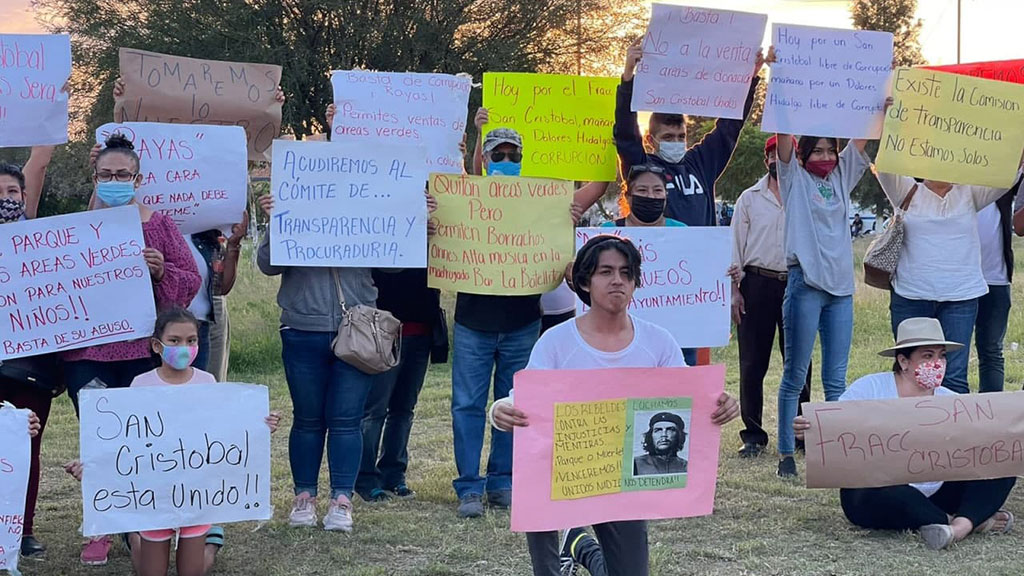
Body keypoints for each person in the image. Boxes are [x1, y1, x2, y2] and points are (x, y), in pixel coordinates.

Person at [491, 234, 739, 576]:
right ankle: (569, 541)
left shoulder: (657, 341)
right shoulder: (557, 341)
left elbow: (689, 398)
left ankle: (580, 546)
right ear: (584, 281)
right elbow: (529, 396)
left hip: (620, 482)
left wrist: (723, 404)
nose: (617, 280)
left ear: (636, 282)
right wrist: (502, 408)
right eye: (605, 271)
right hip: (556, 474)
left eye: (625, 272)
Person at [64, 134, 202, 565]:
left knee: (143, 446)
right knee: (100, 446)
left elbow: (190, 282)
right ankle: (102, 528)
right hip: (88, 357)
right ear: (95, 177)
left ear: (138, 178)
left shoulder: (159, 225)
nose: (114, 180)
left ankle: (142, 525)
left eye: (122, 174)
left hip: (143, 354)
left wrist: (162, 272)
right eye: (106, 174)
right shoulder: (76, 227)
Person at [65, 307, 280, 576]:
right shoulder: (140, 385)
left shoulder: (207, 382)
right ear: (157, 345)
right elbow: (123, 443)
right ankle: (134, 536)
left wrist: (258, 428)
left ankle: (211, 543)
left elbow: (222, 430)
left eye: (191, 341)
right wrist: (91, 467)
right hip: (153, 499)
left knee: (192, 571)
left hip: (196, 496)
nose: (184, 347)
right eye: (175, 341)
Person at [449, 122, 583, 518]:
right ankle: (469, 487)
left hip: (523, 321)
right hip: (472, 321)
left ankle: (503, 480)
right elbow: (462, 187)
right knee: (467, 406)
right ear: (486, 159)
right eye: (498, 155)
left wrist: (568, 218)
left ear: (522, 160)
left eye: (514, 156)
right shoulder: (465, 198)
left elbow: (569, 236)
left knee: (516, 404)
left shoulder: (541, 203)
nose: (506, 161)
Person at [793, 317, 1016, 550]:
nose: (938, 363)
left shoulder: (952, 401)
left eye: (942, 356)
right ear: (903, 361)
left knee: (1004, 465)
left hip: (940, 490)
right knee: (872, 493)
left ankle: (956, 529)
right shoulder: (869, 388)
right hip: (885, 491)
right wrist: (809, 430)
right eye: (928, 356)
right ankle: (965, 522)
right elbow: (835, 430)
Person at [768, 46, 876, 479]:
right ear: (801, 153)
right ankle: (785, 453)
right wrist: (780, 73)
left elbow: (863, 136)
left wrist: (877, 104)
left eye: (831, 150)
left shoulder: (842, 177)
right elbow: (783, 129)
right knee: (795, 373)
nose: (825, 157)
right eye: (818, 151)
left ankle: (831, 453)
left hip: (841, 290)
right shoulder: (792, 177)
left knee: (837, 377)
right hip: (805, 284)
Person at [256, 191, 379, 532]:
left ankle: (341, 500)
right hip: (301, 327)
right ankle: (304, 496)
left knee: (347, 419)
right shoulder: (293, 208)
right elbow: (268, 265)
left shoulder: (369, 206)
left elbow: (395, 262)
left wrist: (409, 217)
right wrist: (274, 221)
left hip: (357, 329)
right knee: (308, 419)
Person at [574, 40, 762, 226]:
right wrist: (628, 77)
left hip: (699, 252)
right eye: (668, 137)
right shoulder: (641, 167)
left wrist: (750, 79)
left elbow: (729, 127)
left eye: (681, 137)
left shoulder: (700, 163)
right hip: (655, 251)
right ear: (650, 139)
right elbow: (626, 133)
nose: (676, 142)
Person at [873, 165, 1018, 394]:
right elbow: (885, 161)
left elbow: (1006, 170)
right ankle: (912, 428)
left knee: (954, 376)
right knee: (911, 373)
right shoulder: (906, 190)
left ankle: (955, 430)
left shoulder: (971, 193)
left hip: (960, 298)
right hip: (912, 295)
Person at [730, 136, 810, 458]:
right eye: (773, 155)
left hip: (795, 283)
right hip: (757, 283)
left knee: (799, 362)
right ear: (766, 160)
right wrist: (734, 291)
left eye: (785, 155)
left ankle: (802, 434)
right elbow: (735, 246)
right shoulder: (749, 199)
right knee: (752, 363)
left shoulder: (804, 196)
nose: (778, 160)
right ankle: (753, 435)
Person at [0, 162, 63, 559]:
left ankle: (20, 530)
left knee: (26, 447)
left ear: (25, 198)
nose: (5, 199)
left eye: (11, 192)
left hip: (30, 368)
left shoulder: (46, 243)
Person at [974, 177, 1019, 393]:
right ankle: (951, 413)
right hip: (959, 279)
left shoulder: (1003, 174)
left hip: (996, 277)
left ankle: (990, 412)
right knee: (952, 352)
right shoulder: (951, 174)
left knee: (991, 349)